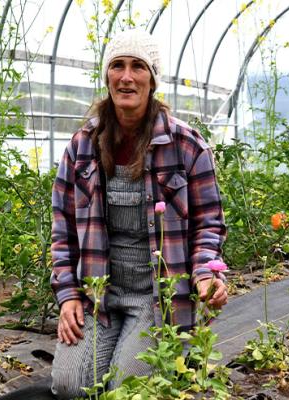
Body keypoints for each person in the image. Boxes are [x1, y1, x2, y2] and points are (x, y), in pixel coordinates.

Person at [49, 29, 228, 399]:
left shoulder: (186, 146)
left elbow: (209, 222)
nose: (126, 76)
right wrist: (68, 295)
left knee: (126, 390)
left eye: (137, 67)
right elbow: (61, 229)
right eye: (117, 66)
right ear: (107, 76)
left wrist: (204, 274)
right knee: (69, 386)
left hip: (157, 297)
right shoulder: (82, 146)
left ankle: (170, 361)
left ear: (152, 79)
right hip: (97, 294)